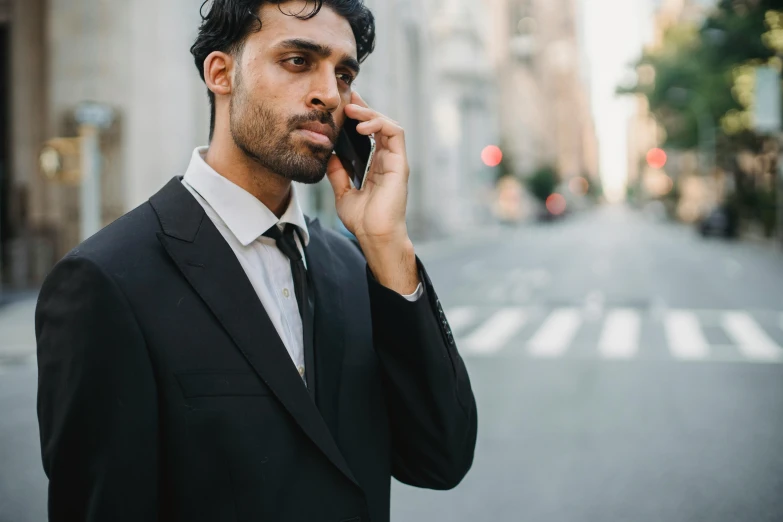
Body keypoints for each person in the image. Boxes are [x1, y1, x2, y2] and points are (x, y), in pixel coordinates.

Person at [35, 1, 478, 521]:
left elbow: (440, 460)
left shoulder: (356, 266)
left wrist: (388, 246)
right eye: (297, 61)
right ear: (221, 73)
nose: (329, 95)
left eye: (343, 73)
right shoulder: (107, 280)